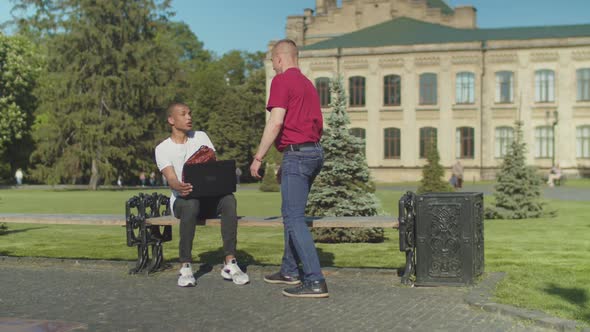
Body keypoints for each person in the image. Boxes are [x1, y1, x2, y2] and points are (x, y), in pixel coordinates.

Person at [249, 39, 327, 298]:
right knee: (291, 213)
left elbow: (276, 123)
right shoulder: (308, 85)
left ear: (280, 59)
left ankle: (315, 280)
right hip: (313, 152)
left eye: (272, 61)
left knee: (293, 218)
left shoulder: (281, 81)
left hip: (298, 155)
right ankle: (289, 269)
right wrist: (288, 158)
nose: (273, 66)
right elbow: (315, 126)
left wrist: (259, 157)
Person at [155, 102, 249, 287]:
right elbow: (171, 179)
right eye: (183, 114)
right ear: (171, 120)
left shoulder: (201, 137)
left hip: (208, 200)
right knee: (191, 203)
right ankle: (186, 266)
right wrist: (179, 186)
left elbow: (211, 169)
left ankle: (230, 263)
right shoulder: (162, 148)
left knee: (229, 199)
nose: (189, 117)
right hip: (182, 201)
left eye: (190, 113)